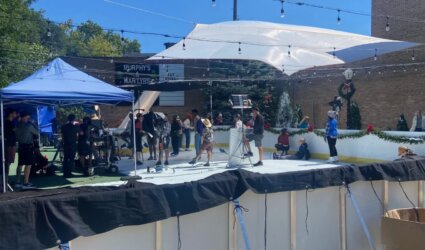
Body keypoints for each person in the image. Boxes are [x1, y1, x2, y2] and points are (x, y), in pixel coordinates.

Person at [15, 112, 38, 189]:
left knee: (20, 164)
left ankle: (17, 181)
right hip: (28, 147)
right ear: (23, 117)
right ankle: (25, 182)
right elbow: (37, 132)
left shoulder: (17, 125)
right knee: (28, 165)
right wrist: (33, 123)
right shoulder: (29, 126)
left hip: (20, 146)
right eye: (27, 118)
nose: (28, 119)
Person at [2, 109, 18, 187]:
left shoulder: (10, 122)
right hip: (8, 145)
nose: (16, 114)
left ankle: (6, 180)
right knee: (7, 162)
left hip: (11, 144)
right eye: (15, 113)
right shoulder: (6, 122)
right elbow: (13, 130)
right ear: (11, 114)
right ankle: (5, 180)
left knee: (9, 162)